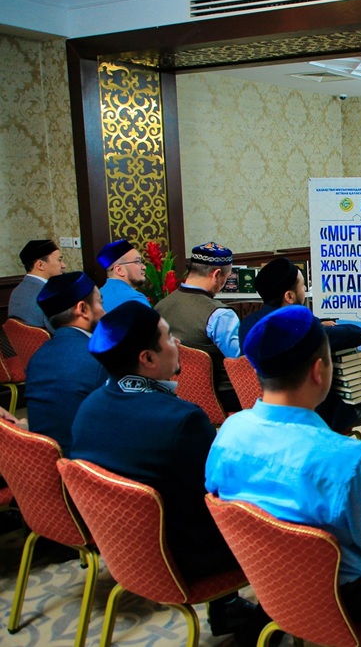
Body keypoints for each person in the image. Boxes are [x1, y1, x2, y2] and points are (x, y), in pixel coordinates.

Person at [206, 306, 361, 647]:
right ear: (319, 370)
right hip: (344, 600)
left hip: (271, 583)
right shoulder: (345, 460)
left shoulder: (228, 434)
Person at [70, 302, 269, 644]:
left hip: (125, 553)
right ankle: (263, 625)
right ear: (147, 358)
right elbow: (221, 496)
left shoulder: (89, 407)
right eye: (168, 337)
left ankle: (228, 608)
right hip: (185, 559)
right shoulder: (182, 420)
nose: (177, 342)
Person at [240, 257, 361, 460]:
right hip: (319, 412)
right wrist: (318, 326)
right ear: (289, 296)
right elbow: (357, 334)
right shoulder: (305, 331)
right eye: (303, 286)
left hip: (268, 407)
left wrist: (317, 323)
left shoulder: (248, 326)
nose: (305, 290)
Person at [25, 272, 107, 453]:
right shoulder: (99, 360)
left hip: (46, 460)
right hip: (87, 463)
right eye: (100, 303)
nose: (104, 311)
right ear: (83, 309)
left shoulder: (38, 356)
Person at [155, 242, 241, 412]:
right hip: (223, 400)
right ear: (217, 274)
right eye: (226, 277)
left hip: (175, 397)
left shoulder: (160, 307)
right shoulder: (220, 315)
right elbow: (240, 363)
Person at [9, 239, 66, 331]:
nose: (63, 265)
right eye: (59, 260)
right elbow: (62, 333)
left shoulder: (16, 291)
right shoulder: (48, 296)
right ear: (40, 265)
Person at [97, 239, 151, 311]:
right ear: (120, 270)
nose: (144, 267)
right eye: (137, 261)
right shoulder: (134, 300)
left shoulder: (98, 296)